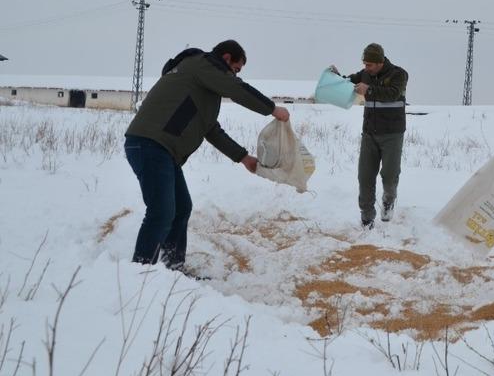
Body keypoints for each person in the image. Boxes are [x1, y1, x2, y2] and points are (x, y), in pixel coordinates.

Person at [125, 40, 290, 274]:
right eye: (236, 69)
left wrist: (244, 158)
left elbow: (210, 129)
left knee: (181, 208)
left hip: (161, 150)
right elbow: (237, 89)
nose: (235, 76)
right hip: (149, 145)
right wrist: (272, 109)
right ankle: (139, 274)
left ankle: (172, 271)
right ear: (225, 58)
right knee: (161, 211)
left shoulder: (201, 86)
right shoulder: (201, 65)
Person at [331, 43, 408, 229]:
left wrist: (369, 90)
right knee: (365, 177)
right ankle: (367, 218)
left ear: (380, 62)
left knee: (389, 176)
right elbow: (349, 81)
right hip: (369, 135)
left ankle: (388, 201)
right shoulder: (365, 74)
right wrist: (336, 77)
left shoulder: (399, 74)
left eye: (370, 65)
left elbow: (392, 94)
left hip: (392, 134)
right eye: (364, 64)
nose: (366, 68)